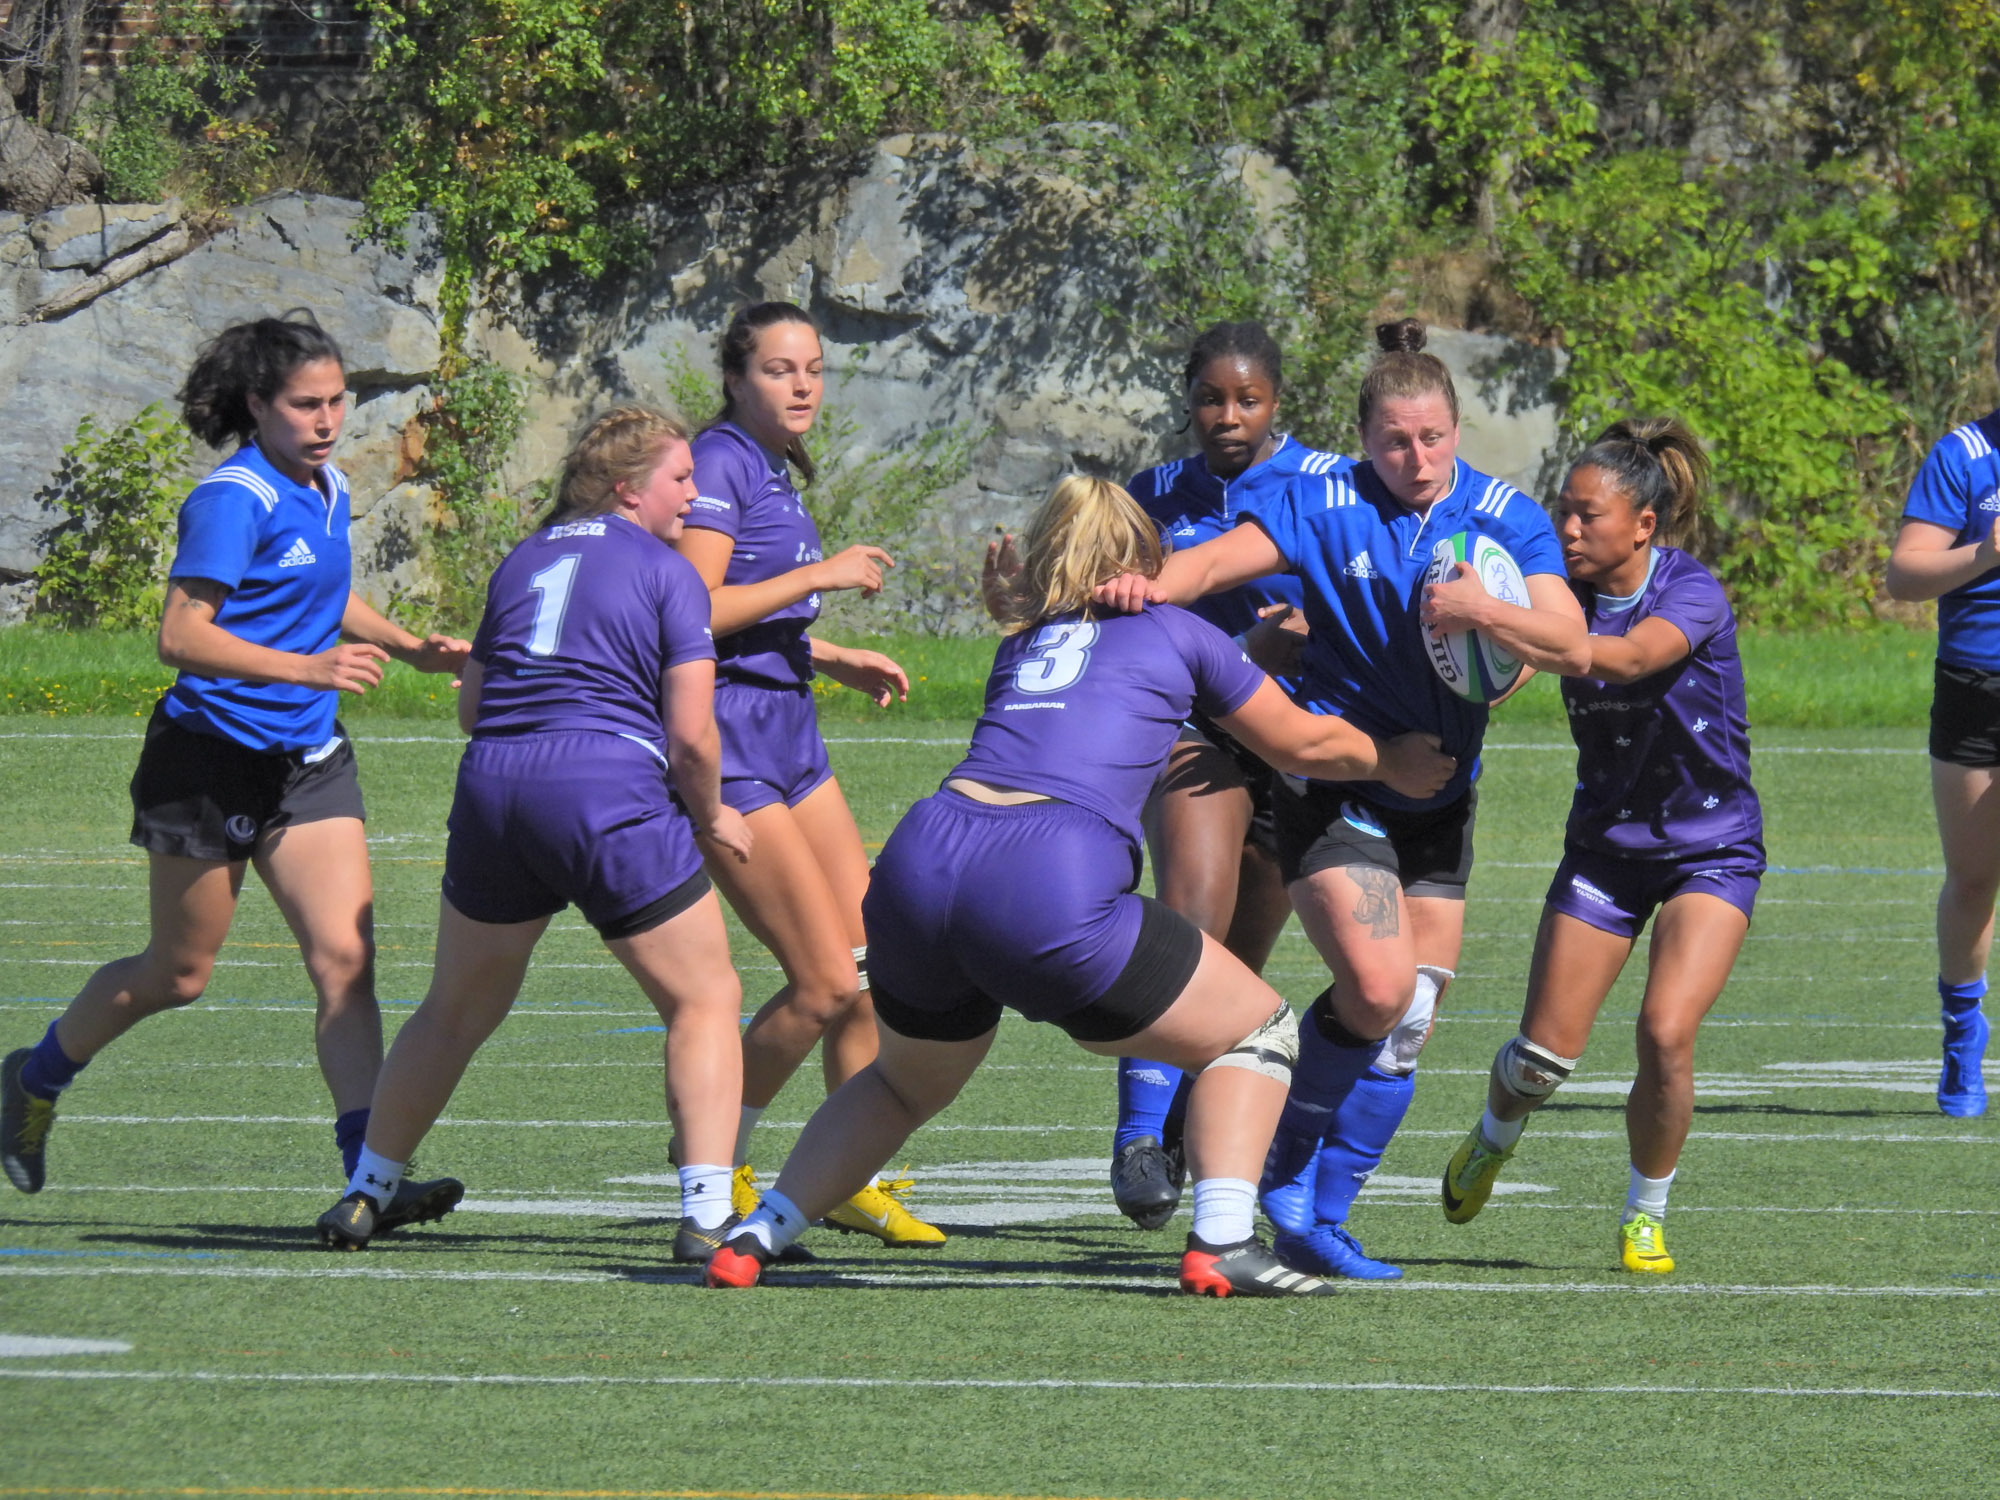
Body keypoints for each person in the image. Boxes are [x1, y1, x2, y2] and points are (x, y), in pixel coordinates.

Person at [703, 475, 1456, 1293]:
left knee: (898, 1080)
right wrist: (1389, 760)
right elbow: (1302, 745)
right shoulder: (1175, 631)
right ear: (1148, 558)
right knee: (1259, 1032)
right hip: (1044, 869)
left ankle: (757, 1233)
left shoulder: (1022, 639)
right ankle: (1224, 1241)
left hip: (924, 854)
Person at [1094, 319, 1589, 1279]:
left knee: (1405, 1028)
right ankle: (1254, 1160)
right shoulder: (1320, 501)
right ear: (1365, 439)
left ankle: (1312, 1213)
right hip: (1335, 787)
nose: (1417, 456)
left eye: (1434, 437)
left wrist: (1483, 615)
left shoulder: (1504, 516)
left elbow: (1565, 640)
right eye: (1397, 440)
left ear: (1456, 429)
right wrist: (1135, 588)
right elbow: (1207, 566)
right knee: (1375, 989)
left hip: (1443, 798)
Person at [0, 311, 468, 1230]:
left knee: (346, 962)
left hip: (308, 762)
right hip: (208, 763)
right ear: (258, 405)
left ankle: (367, 1181)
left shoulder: (325, 483)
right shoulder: (233, 498)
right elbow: (181, 635)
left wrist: (408, 648)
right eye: (306, 404)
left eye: (338, 401)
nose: (329, 419)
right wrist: (306, 667)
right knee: (179, 974)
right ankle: (32, 1078)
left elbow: (324, 592)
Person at [316, 407, 755, 1258]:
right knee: (705, 997)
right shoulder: (670, 576)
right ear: (630, 490)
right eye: (681, 479)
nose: (696, 498)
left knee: (451, 1010)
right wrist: (712, 813)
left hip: (495, 787)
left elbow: (473, 709)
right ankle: (706, 1214)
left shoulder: (524, 558)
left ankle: (366, 1190)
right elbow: (693, 735)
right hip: (601, 787)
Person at [1438, 418, 1762, 1274]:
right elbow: (1500, 679)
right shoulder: (1557, 597)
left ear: (1644, 525)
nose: (1569, 530)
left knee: (1664, 1033)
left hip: (1711, 848)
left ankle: (1644, 1214)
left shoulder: (1692, 593)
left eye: (1588, 517)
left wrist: (1486, 611)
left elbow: (1618, 660)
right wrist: (1471, 647)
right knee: (1542, 1060)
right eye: (1563, 514)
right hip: (1607, 851)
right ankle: (1495, 1133)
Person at [673, 302, 945, 1247]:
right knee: (824, 981)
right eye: (780, 370)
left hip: (791, 732)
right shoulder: (717, 462)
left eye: (814, 370)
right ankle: (722, 1163)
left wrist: (826, 654)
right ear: (737, 379)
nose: (801, 386)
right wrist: (817, 577)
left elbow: (756, 618)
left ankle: (849, 1174)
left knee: (880, 964)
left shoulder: (777, 470)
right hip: (731, 746)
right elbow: (694, 612)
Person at [1079, 320, 1323, 1231]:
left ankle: (1185, 1123)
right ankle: (1140, 1137)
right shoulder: (1152, 496)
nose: (1227, 416)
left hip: (1296, 743)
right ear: (1187, 404)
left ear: (1276, 403)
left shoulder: (1322, 487)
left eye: (1246, 399)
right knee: (1189, 922)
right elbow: (1124, 624)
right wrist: (1238, 652)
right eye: (1209, 400)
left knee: (1236, 968)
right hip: (1192, 733)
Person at [1885, 366, 2000, 1118]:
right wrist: (1989, 552)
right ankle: (1963, 1039)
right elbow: (1905, 574)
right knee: (1974, 879)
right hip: (1977, 688)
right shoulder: (1964, 455)